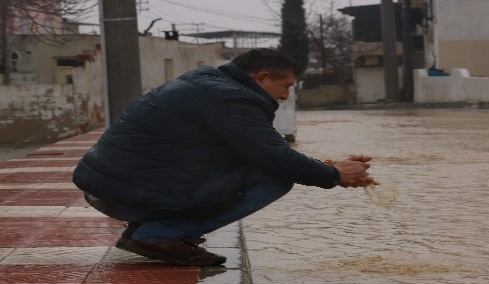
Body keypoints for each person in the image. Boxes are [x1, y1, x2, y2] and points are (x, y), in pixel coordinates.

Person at [72, 49, 375, 266]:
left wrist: (328, 169)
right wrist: (334, 176)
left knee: (261, 167)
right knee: (276, 178)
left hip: (112, 186)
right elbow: (278, 161)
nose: (285, 97)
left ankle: (149, 230)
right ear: (262, 77)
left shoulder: (207, 82)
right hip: (121, 192)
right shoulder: (231, 98)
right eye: (285, 87)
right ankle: (159, 234)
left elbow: (260, 151)